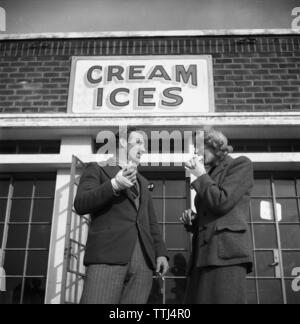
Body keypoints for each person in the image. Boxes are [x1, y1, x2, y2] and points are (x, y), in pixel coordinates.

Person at [74, 127, 169, 304]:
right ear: (124, 142)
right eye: (139, 142)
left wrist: (160, 253)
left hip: (143, 263)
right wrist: (114, 185)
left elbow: (151, 221)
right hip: (107, 256)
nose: (144, 149)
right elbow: (81, 203)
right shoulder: (97, 169)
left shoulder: (143, 182)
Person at [181, 128, 253, 304]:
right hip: (203, 254)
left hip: (226, 254)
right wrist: (194, 220)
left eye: (199, 147)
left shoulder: (240, 165)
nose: (197, 153)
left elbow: (222, 202)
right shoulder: (210, 175)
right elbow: (211, 212)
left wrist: (200, 175)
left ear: (214, 145)